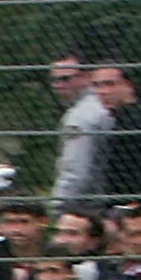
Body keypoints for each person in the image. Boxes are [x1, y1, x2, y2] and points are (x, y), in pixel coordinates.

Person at [50, 60, 114, 209]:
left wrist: (58, 204)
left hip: (85, 204)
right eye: (54, 80)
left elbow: (75, 169)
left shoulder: (81, 115)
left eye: (65, 79)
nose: (58, 85)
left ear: (86, 77)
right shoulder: (97, 106)